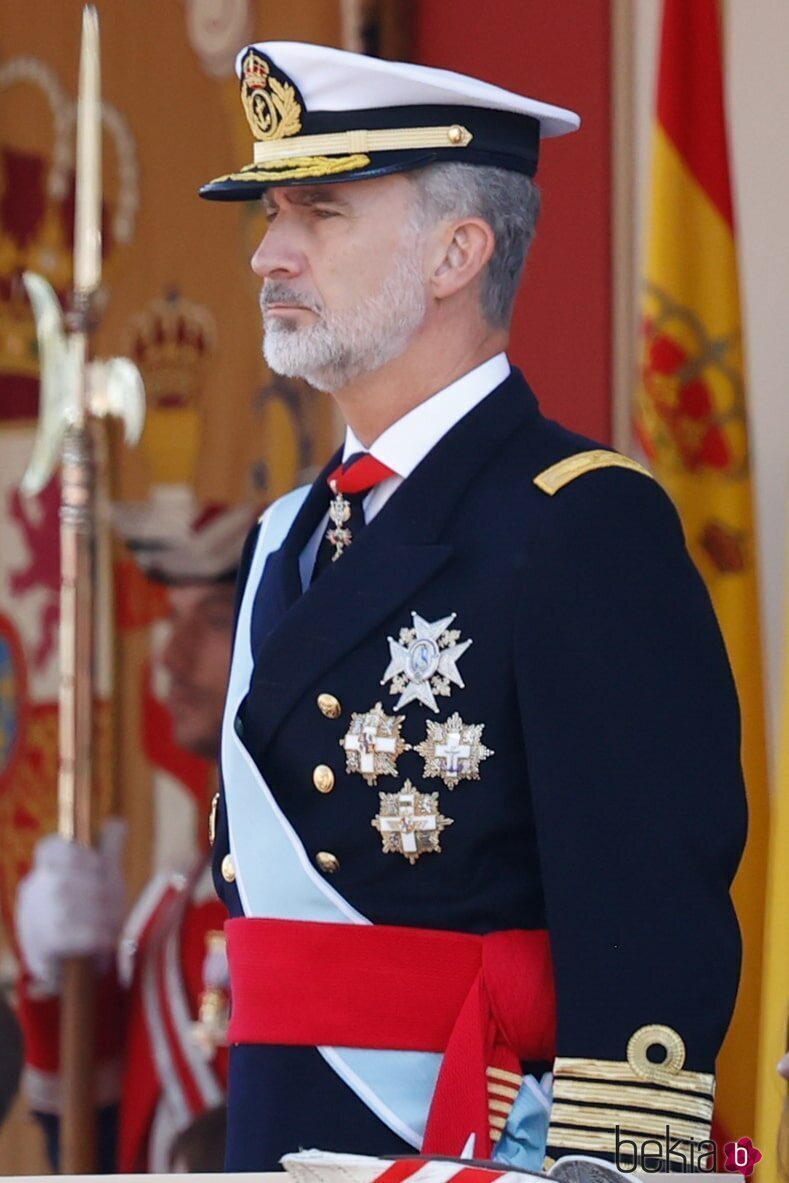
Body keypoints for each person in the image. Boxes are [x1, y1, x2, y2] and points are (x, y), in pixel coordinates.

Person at [199, 42, 747, 1174]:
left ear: (458, 252)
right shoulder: (282, 538)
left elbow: (648, 897)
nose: (269, 253)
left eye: (322, 210)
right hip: (276, 1129)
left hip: (469, 1136)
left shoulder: (580, 527)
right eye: (271, 213)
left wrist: (617, 1163)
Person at [14, 502, 253, 1172]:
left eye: (212, 620)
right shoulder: (167, 909)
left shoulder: (329, 889)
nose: (170, 659)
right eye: (168, 621)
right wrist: (63, 981)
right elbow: (91, 1135)